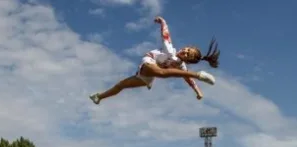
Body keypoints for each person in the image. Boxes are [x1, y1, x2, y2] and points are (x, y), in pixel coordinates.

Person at [89, 16, 219, 105]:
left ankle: (98, 97)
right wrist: (163, 22)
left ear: (188, 61)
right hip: (149, 61)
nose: (184, 52)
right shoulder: (170, 50)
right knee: (123, 84)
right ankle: (99, 97)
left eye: (187, 55)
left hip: (149, 76)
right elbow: (165, 35)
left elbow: (189, 81)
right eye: (187, 49)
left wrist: (198, 92)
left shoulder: (181, 66)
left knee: (127, 84)